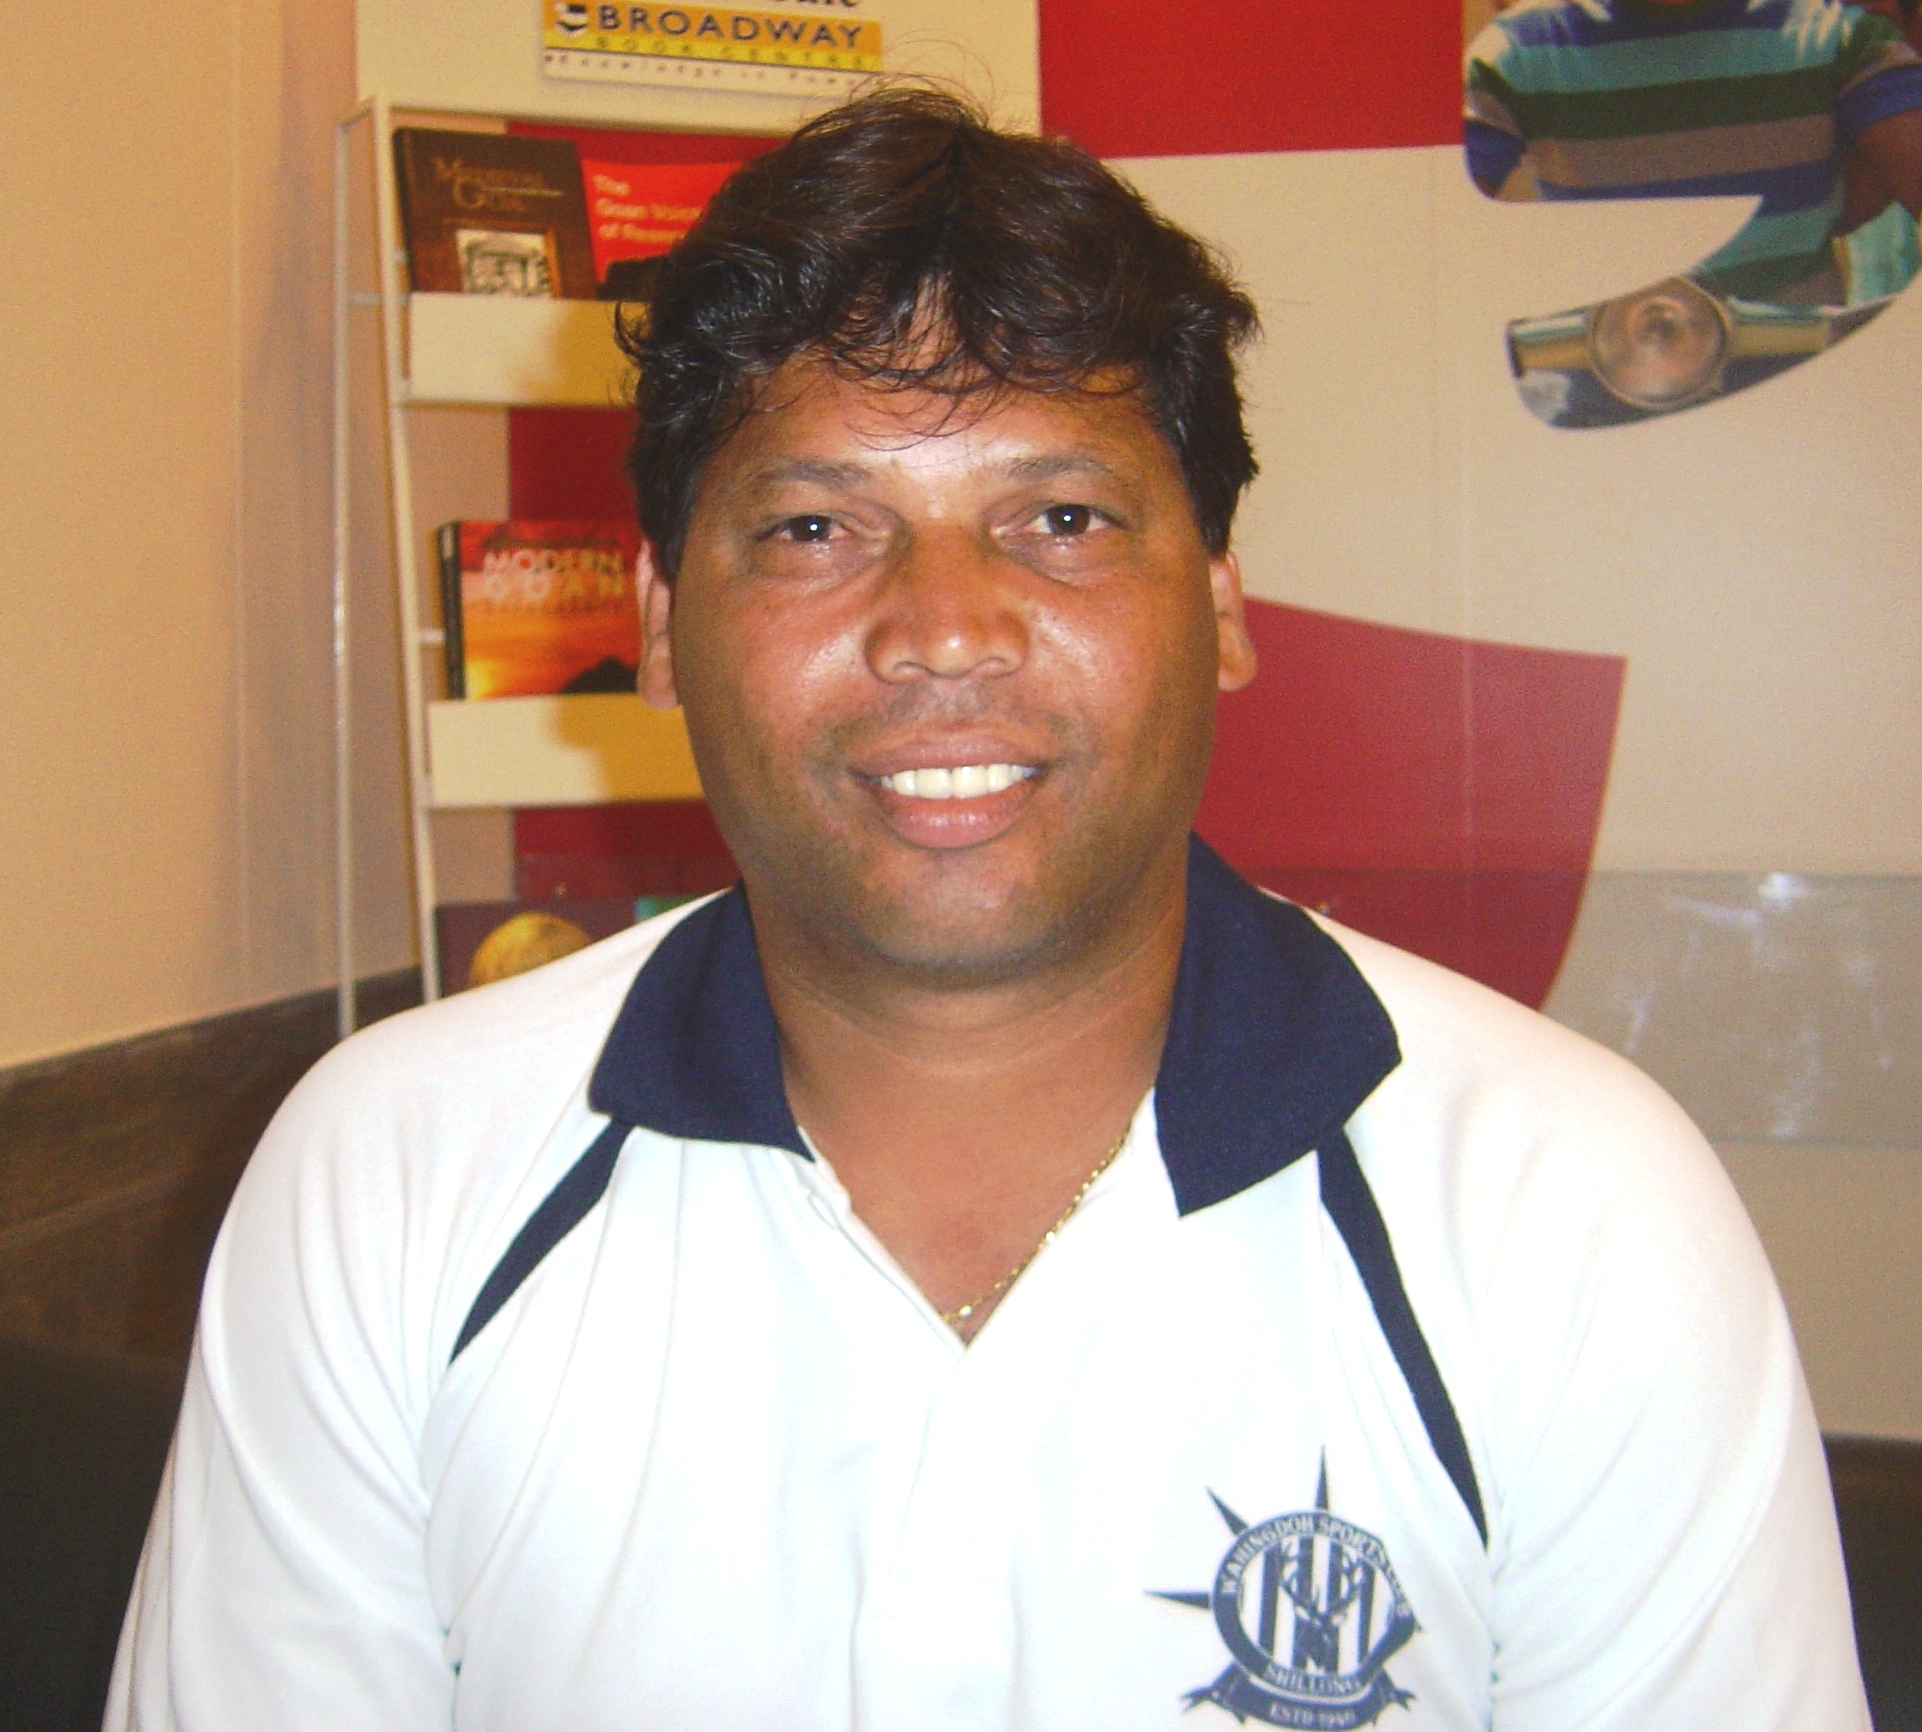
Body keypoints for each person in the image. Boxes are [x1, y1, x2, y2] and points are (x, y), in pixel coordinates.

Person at [109, 89, 1868, 1730]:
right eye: (814, 529)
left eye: (1062, 515)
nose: (942, 626)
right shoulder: (393, 1178)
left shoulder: (1568, 1214)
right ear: (655, 626)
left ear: (1221, 606)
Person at [1465, 0, 1922, 304]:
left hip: (1803, 394)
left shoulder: (1835, 31)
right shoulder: (1516, 52)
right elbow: (1435, 238)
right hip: (1603, 393)